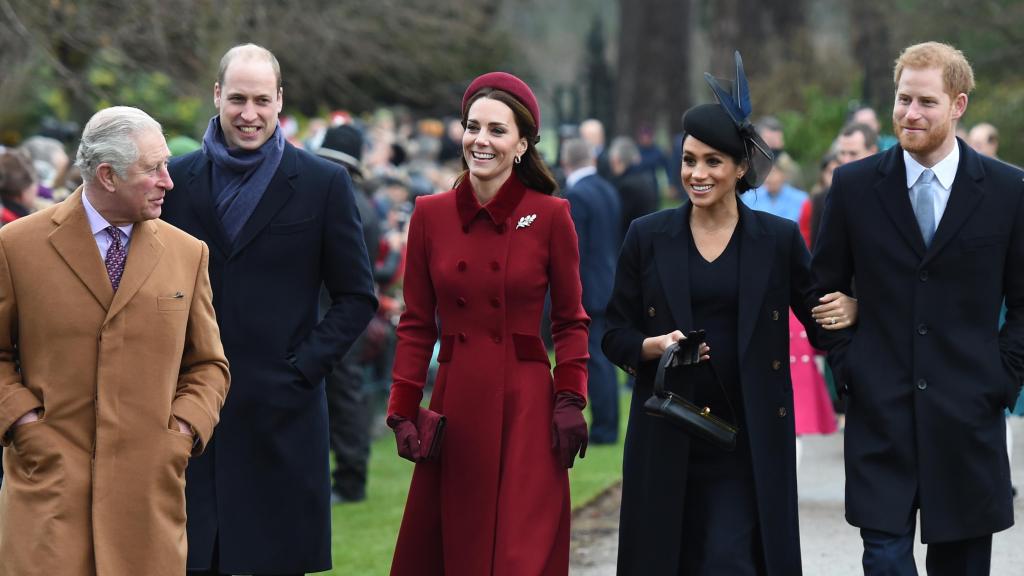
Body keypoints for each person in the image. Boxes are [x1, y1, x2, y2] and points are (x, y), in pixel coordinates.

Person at [603, 53, 856, 576]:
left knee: (732, 560)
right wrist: (652, 347)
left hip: (747, 439)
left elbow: (819, 318)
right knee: (669, 560)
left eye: (713, 161)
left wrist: (853, 310)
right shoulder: (647, 237)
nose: (697, 173)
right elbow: (614, 332)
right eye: (689, 159)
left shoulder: (777, 241)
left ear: (741, 168)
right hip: (667, 428)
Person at [162, 44, 377, 576]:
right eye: (237, 98)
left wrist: (302, 368)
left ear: (281, 101)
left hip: (283, 420)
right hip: (190, 419)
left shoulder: (324, 184)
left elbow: (356, 296)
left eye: (262, 99)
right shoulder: (174, 182)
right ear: (217, 96)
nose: (249, 113)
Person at [813, 42, 1023, 576]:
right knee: (884, 560)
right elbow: (822, 291)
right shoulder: (855, 187)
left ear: (959, 105)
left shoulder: (1008, 190)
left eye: (926, 102)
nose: (910, 113)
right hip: (880, 411)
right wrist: (849, 366)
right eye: (903, 98)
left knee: (962, 564)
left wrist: (1001, 379)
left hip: (968, 415)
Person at [0, 106, 230, 575]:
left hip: (148, 498)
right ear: (107, 175)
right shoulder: (16, 246)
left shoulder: (188, 254)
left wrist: (181, 433)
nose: (169, 180)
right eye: (153, 169)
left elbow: (208, 365)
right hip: (49, 495)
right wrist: (25, 425)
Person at [386, 71, 590, 576]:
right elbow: (415, 323)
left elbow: (570, 321)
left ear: (521, 144)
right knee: (458, 548)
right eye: (472, 126)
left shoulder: (550, 215)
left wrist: (569, 399)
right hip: (455, 404)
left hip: (527, 408)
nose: (481, 140)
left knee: (520, 554)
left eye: (497, 130)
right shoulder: (429, 214)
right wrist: (401, 409)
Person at [315, 124, 382, 504]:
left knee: (343, 397)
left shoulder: (342, 201)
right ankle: (348, 476)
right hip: (347, 314)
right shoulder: (363, 202)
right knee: (346, 397)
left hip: (332, 313)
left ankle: (351, 480)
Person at [562, 137, 622, 444]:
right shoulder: (607, 190)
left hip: (587, 287)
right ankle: (607, 424)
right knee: (602, 359)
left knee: (594, 359)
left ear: (565, 162)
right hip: (608, 282)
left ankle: (604, 428)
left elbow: (573, 250)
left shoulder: (576, 196)